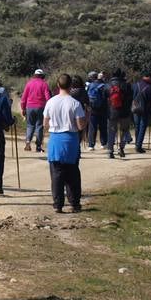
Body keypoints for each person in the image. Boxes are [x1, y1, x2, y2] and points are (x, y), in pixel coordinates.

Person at [44, 74, 87, 213]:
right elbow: (80, 126)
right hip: (70, 140)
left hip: (55, 140)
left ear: (58, 85)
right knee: (72, 173)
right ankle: (74, 203)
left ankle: (58, 204)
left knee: (56, 174)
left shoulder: (50, 102)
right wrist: (87, 118)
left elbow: (45, 123)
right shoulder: (75, 103)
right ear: (71, 86)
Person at [20, 68, 51, 153]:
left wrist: (23, 108)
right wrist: (49, 109)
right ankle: (38, 146)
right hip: (40, 107)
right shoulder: (44, 84)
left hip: (29, 107)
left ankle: (28, 142)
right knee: (39, 126)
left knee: (30, 125)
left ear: (35, 75)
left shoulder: (29, 83)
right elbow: (48, 98)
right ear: (42, 76)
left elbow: (24, 97)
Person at [106, 69, 134, 159]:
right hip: (124, 112)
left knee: (111, 132)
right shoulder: (126, 85)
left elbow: (104, 99)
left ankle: (110, 151)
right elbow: (130, 98)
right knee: (124, 130)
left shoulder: (108, 85)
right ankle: (121, 148)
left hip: (112, 112)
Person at [131, 72, 151, 153]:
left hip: (135, 108)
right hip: (145, 110)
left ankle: (137, 144)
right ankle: (138, 146)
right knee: (142, 127)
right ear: (149, 77)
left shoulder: (135, 85)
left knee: (137, 126)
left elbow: (132, 97)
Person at [85, 71, 108, 150]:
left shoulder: (90, 85)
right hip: (103, 109)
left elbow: (87, 96)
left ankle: (91, 145)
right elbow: (107, 97)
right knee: (103, 127)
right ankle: (103, 143)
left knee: (92, 127)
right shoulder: (104, 86)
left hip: (92, 109)